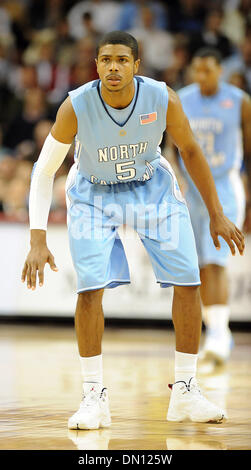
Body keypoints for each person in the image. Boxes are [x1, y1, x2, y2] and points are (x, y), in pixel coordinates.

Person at [21, 31, 245, 429]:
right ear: (96, 65)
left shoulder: (163, 98)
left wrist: (216, 212)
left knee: (189, 282)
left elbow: (191, 151)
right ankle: (94, 396)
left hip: (153, 189)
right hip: (94, 194)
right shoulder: (76, 105)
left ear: (136, 65)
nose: (113, 67)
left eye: (122, 60)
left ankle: (186, 390)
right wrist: (37, 237)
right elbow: (43, 169)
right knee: (89, 289)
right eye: (106, 60)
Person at [168, 47, 251, 365]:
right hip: (191, 192)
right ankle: (218, 331)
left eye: (208, 70)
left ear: (221, 71)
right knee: (199, 265)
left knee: (216, 262)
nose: (201, 76)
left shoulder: (240, 101)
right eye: (197, 70)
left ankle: (218, 335)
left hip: (226, 188)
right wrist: (177, 178)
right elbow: (170, 147)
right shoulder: (180, 98)